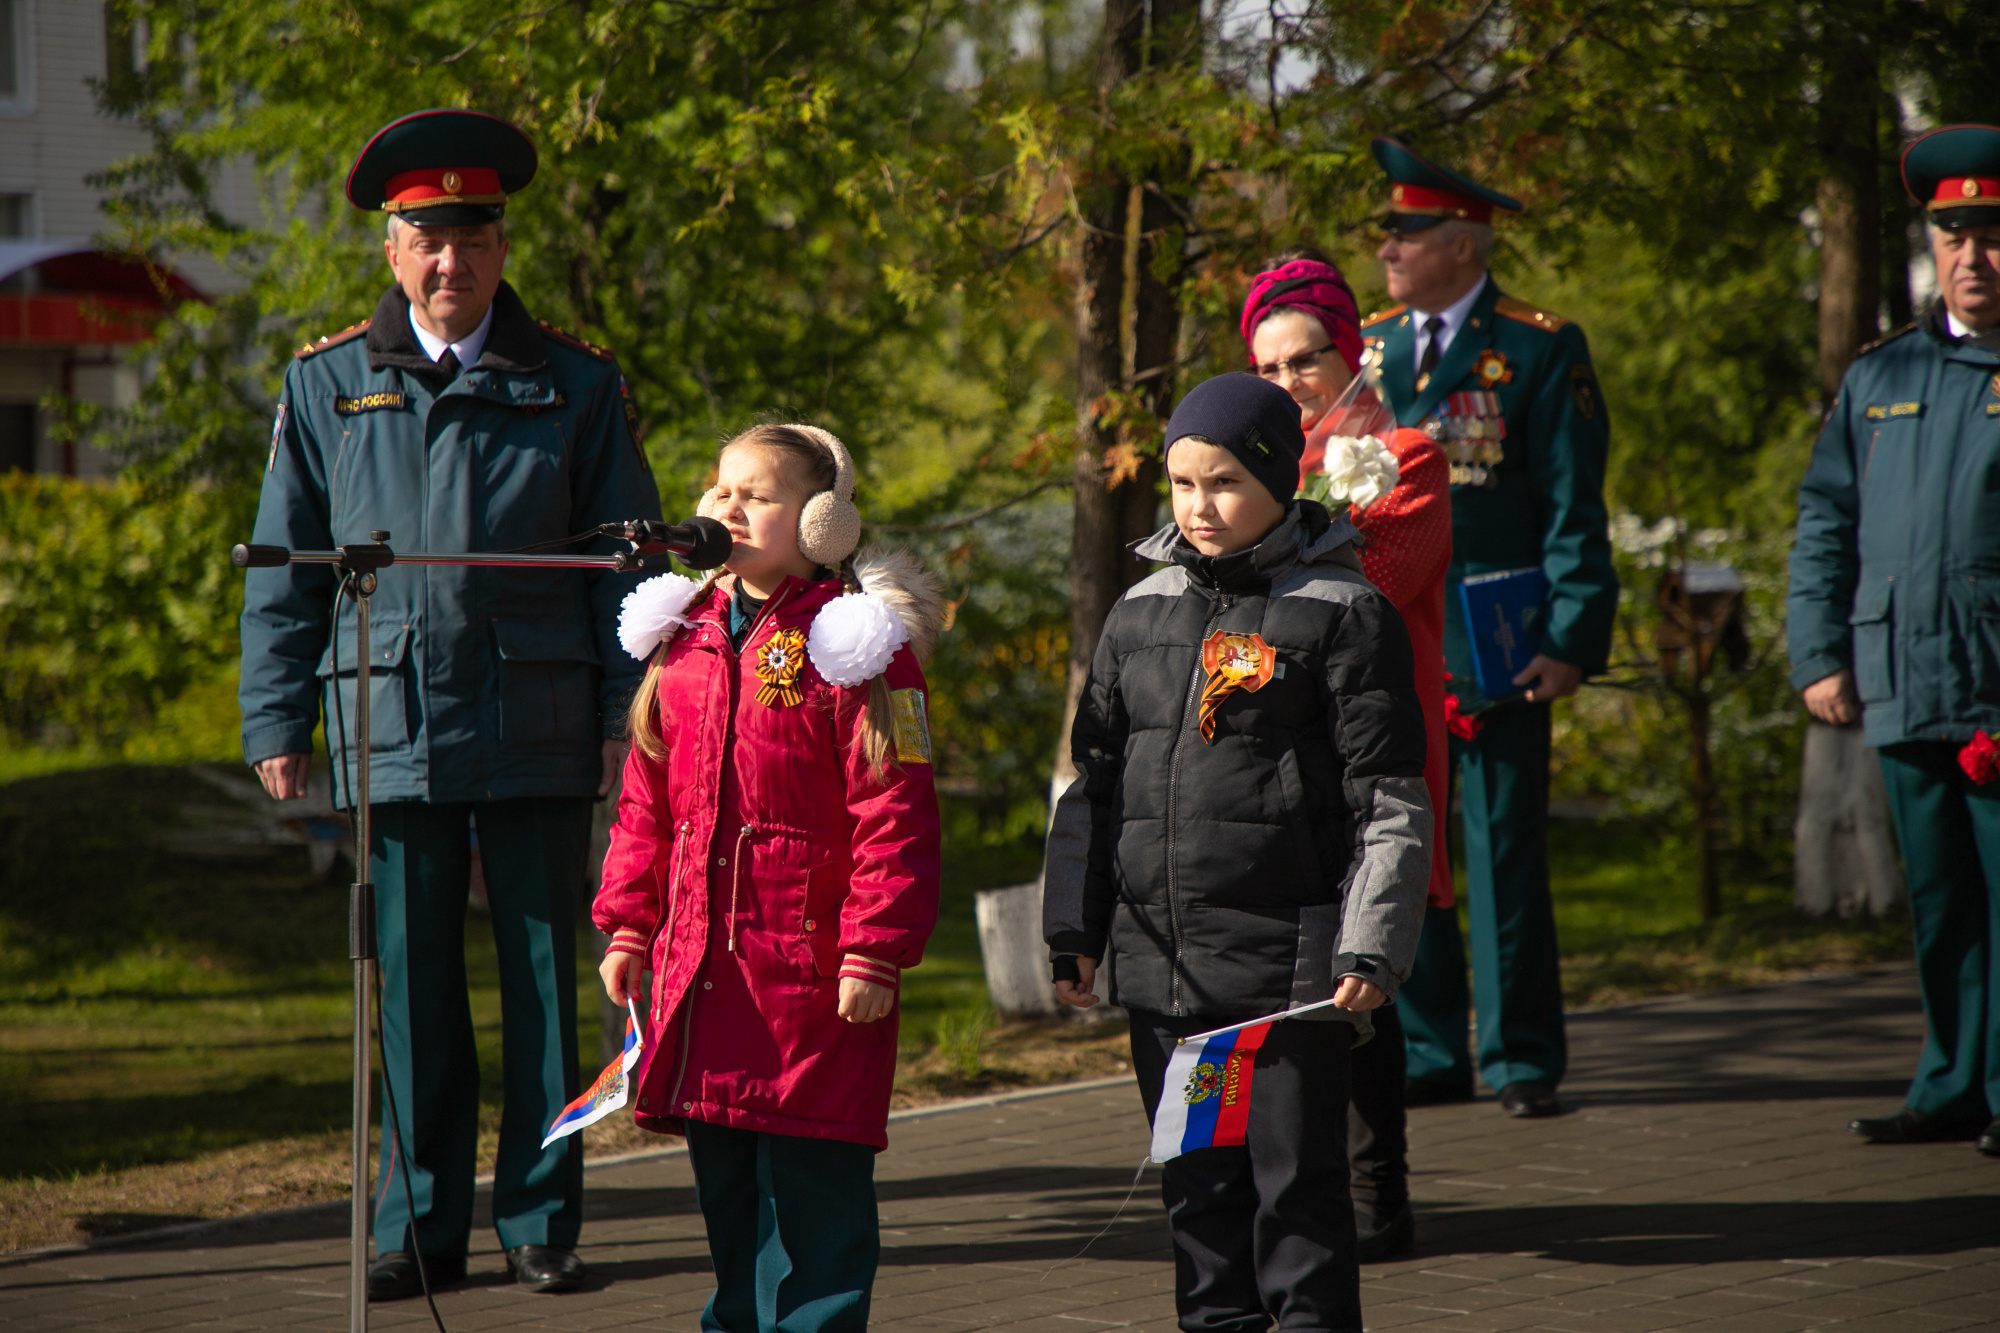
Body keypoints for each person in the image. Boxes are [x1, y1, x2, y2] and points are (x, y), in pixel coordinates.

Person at [238, 109, 663, 1299]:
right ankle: (415, 1226)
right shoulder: (324, 386)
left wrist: (638, 724)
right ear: (390, 248)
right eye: (425, 237)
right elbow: (288, 566)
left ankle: (540, 1216)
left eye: (470, 236)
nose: (448, 261)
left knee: (544, 989)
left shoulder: (575, 385)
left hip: (540, 725)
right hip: (391, 725)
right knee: (412, 997)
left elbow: (625, 576)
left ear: (499, 246)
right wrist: (276, 719)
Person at [1044, 372, 1433, 1332]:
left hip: (1290, 979)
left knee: (1295, 1207)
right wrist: (1073, 927)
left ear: (1276, 478)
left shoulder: (1343, 611)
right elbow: (1093, 783)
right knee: (1202, 1212)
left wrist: (1371, 943)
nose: (1198, 507)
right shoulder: (1140, 613)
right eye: (1180, 484)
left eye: (1222, 482)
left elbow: (1387, 796)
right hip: (1170, 984)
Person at [593, 424, 944, 1332]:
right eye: (721, 488)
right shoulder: (686, 638)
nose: (730, 506)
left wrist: (875, 949)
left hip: (812, 983)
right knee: (732, 1212)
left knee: (814, 1214)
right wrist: (632, 926)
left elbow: (896, 812)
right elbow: (647, 802)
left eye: (760, 492)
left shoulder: (858, 647)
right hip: (708, 977)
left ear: (823, 522)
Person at [1361, 136, 1616, 1119]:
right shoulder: (1372, 350)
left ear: (1463, 244)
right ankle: (1429, 1047)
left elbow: (1569, 503)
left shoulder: (1540, 347)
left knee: (1502, 847)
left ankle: (1517, 1055)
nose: (1386, 248)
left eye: (1406, 232)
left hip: (1497, 632)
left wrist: (1570, 632)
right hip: (1389, 638)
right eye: (1385, 232)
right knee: (1403, 844)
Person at [1789, 123, 2000, 1160]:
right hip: (1903, 676)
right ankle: (1951, 1080)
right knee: (1940, 905)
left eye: (1992, 233)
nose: (1972, 256)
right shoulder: (1882, 376)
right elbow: (1824, 517)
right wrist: (1816, 652)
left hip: (1994, 682)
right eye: (1953, 234)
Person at [1243, 250, 1453, 1261]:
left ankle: (1378, 1197)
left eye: (1304, 361)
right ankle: (1291, 1188)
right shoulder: (1243, 471)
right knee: (1286, 964)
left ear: (1352, 352)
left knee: (1359, 968)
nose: (1288, 385)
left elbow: (1377, 572)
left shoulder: (1409, 453)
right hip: (1270, 750)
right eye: (1268, 368)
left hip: (1367, 742)